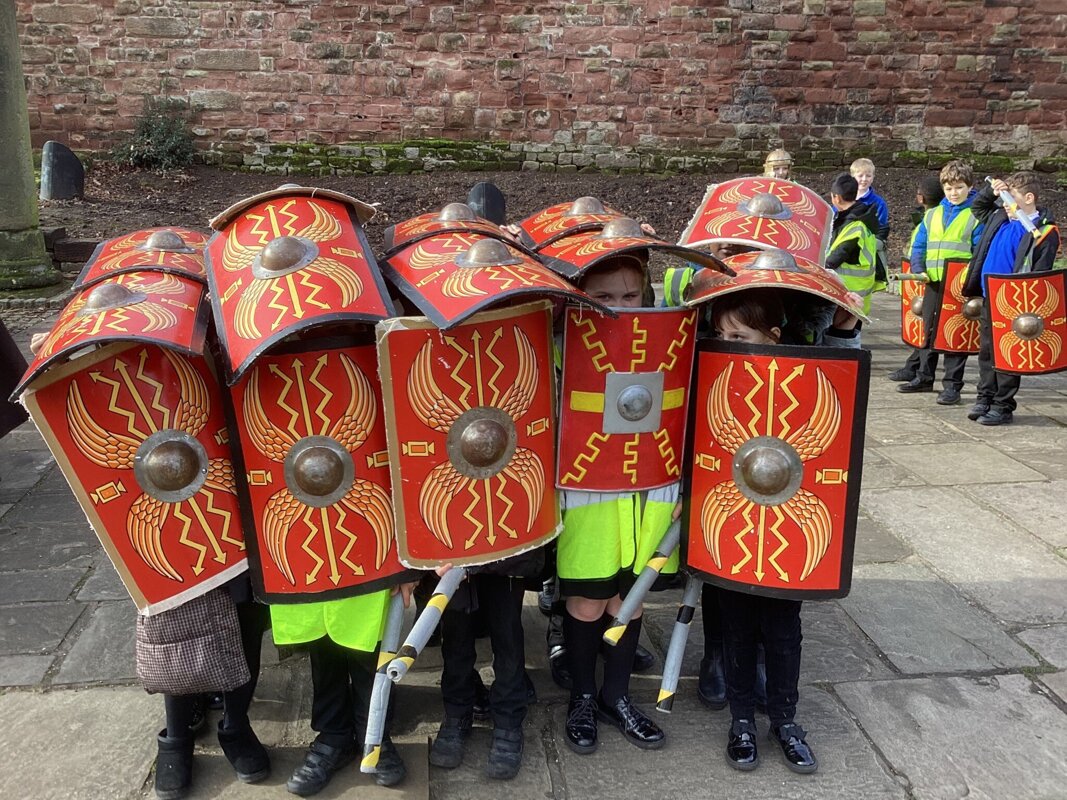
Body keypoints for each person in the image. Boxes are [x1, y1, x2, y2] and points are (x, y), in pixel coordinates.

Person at [708, 287, 862, 776]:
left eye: (739, 335)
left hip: (786, 524)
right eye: (720, 334)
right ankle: (741, 721)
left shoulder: (804, 379)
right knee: (735, 628)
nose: (727, 342)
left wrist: (844, 329)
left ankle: (785, 719)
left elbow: (840, 388)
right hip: (734, 518)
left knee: (782, 631)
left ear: (772, 336)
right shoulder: (716, 379)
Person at [558, 254, 679, 755]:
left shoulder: (669, 343)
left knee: (629, 600)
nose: (619, 306)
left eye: (630, 296)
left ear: (645, 295)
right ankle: (583, 697)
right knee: (588, 601)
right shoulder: (562, 344)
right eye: (604, 296)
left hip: (649, 487)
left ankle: (616, 697)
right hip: (589, 488)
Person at [278, 586, 414, 796]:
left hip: (369, 572)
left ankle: (374, 735)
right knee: (323, 651)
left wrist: (407, 570)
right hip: (311, 570)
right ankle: (334, 736)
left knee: (370, 650)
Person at [430, 551, 542, 780]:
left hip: (506, 548)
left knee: (507, 632)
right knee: (455, 633)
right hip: (452, 543)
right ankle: (457, 712)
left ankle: (508, 720)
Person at [961, 172, 1061, 426]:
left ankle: (1003, 405)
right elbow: (978, 206)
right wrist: (992, 191)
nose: (1005, 202)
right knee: (986, 353)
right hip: (988, 297)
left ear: (1029, 198)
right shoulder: (1000, 218)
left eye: (1011, 197)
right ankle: (985, 397)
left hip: (1014, 305)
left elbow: (1041, 274)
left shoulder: (1044, 232)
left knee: (1007, 355)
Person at [896, 161, 983, 404]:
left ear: (970, 187)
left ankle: (952, 386)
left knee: (955, 335)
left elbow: (978, 252)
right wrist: (918, 269)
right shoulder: (932, 213)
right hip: (933, 281)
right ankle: (924, 377)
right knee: (928, 332)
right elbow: (920, 245)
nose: (954, 193)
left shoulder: (975, 215)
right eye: (949, 188)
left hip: (959, 284)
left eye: (959, 187)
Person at [889, 174, 945, 383]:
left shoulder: (931, 219)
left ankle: (921, 371)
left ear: (921, 198)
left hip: (931, 277)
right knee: (923, 327)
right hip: (924, 274)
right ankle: (913, 366)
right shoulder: (930, 217)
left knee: (928, 328)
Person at [826, 173, 879, 323]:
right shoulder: (864, 216)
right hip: (858, 291)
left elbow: (838, 255)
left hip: (847, 291)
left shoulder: (853, 225)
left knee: (843, 336)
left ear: (837, 197)